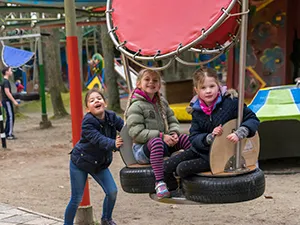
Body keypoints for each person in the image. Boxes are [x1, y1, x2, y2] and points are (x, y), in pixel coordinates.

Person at [164, 67, 260, 178]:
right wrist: (209, 137)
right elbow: (194, 137)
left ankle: (193, 190)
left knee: (182, 168)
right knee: (167, 165)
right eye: (203, 88)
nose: (208, 91)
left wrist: (240, 133)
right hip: (201, 151)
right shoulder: (196, 110)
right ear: (197, 90)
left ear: (218, 85)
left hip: (220, 155)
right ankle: (173, 189)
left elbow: (252, 119)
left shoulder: (231, 103)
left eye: (212, 86)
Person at [124, 69, 191, 199]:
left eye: (155, 80)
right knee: (157, 142)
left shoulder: (162, 103)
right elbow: (136, 132)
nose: (151, 82)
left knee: (185, 139)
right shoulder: (136, 106)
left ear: (159, 85)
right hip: (143, 150)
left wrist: (173, 133)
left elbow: (172, 120)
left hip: (163, 143)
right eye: (147, 79)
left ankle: (191, 174)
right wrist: (161, 136)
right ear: (138, 84)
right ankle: (160, 182)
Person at [64, 89, 124, 225]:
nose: (96, 101)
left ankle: (106, 219)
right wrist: (113, 143)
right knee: (76, 198)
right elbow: (98, 139)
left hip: (99, 163)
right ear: (88, 109)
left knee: (112, 191)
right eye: (92, 100)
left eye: (99, 98)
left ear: (105, 103)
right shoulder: (87, 122)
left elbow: (125, 128)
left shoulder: (112, 117)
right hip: (80, 162)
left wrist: (133, 129)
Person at [1, 67, 19, 140]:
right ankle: (9, 134)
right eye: (10, 70)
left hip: (5, 101)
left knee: (9, 117)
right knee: (11, 117)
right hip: (7, 101)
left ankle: (6, 132)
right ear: (6, 72)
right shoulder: (5, 82)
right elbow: (7, 92)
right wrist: (14, 101)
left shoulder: (3, 81)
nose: (11, 72)